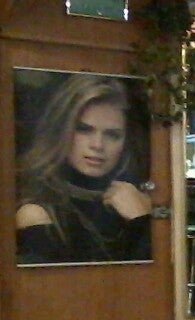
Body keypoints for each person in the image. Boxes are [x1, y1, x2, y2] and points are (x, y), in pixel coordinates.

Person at [15, 73, 152, 264]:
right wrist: (141, 223)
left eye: (112, 135)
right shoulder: (38, 212)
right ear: (61, 130)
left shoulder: (134, 199)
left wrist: (142, 218)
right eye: (84, 130)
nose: (97, 145)